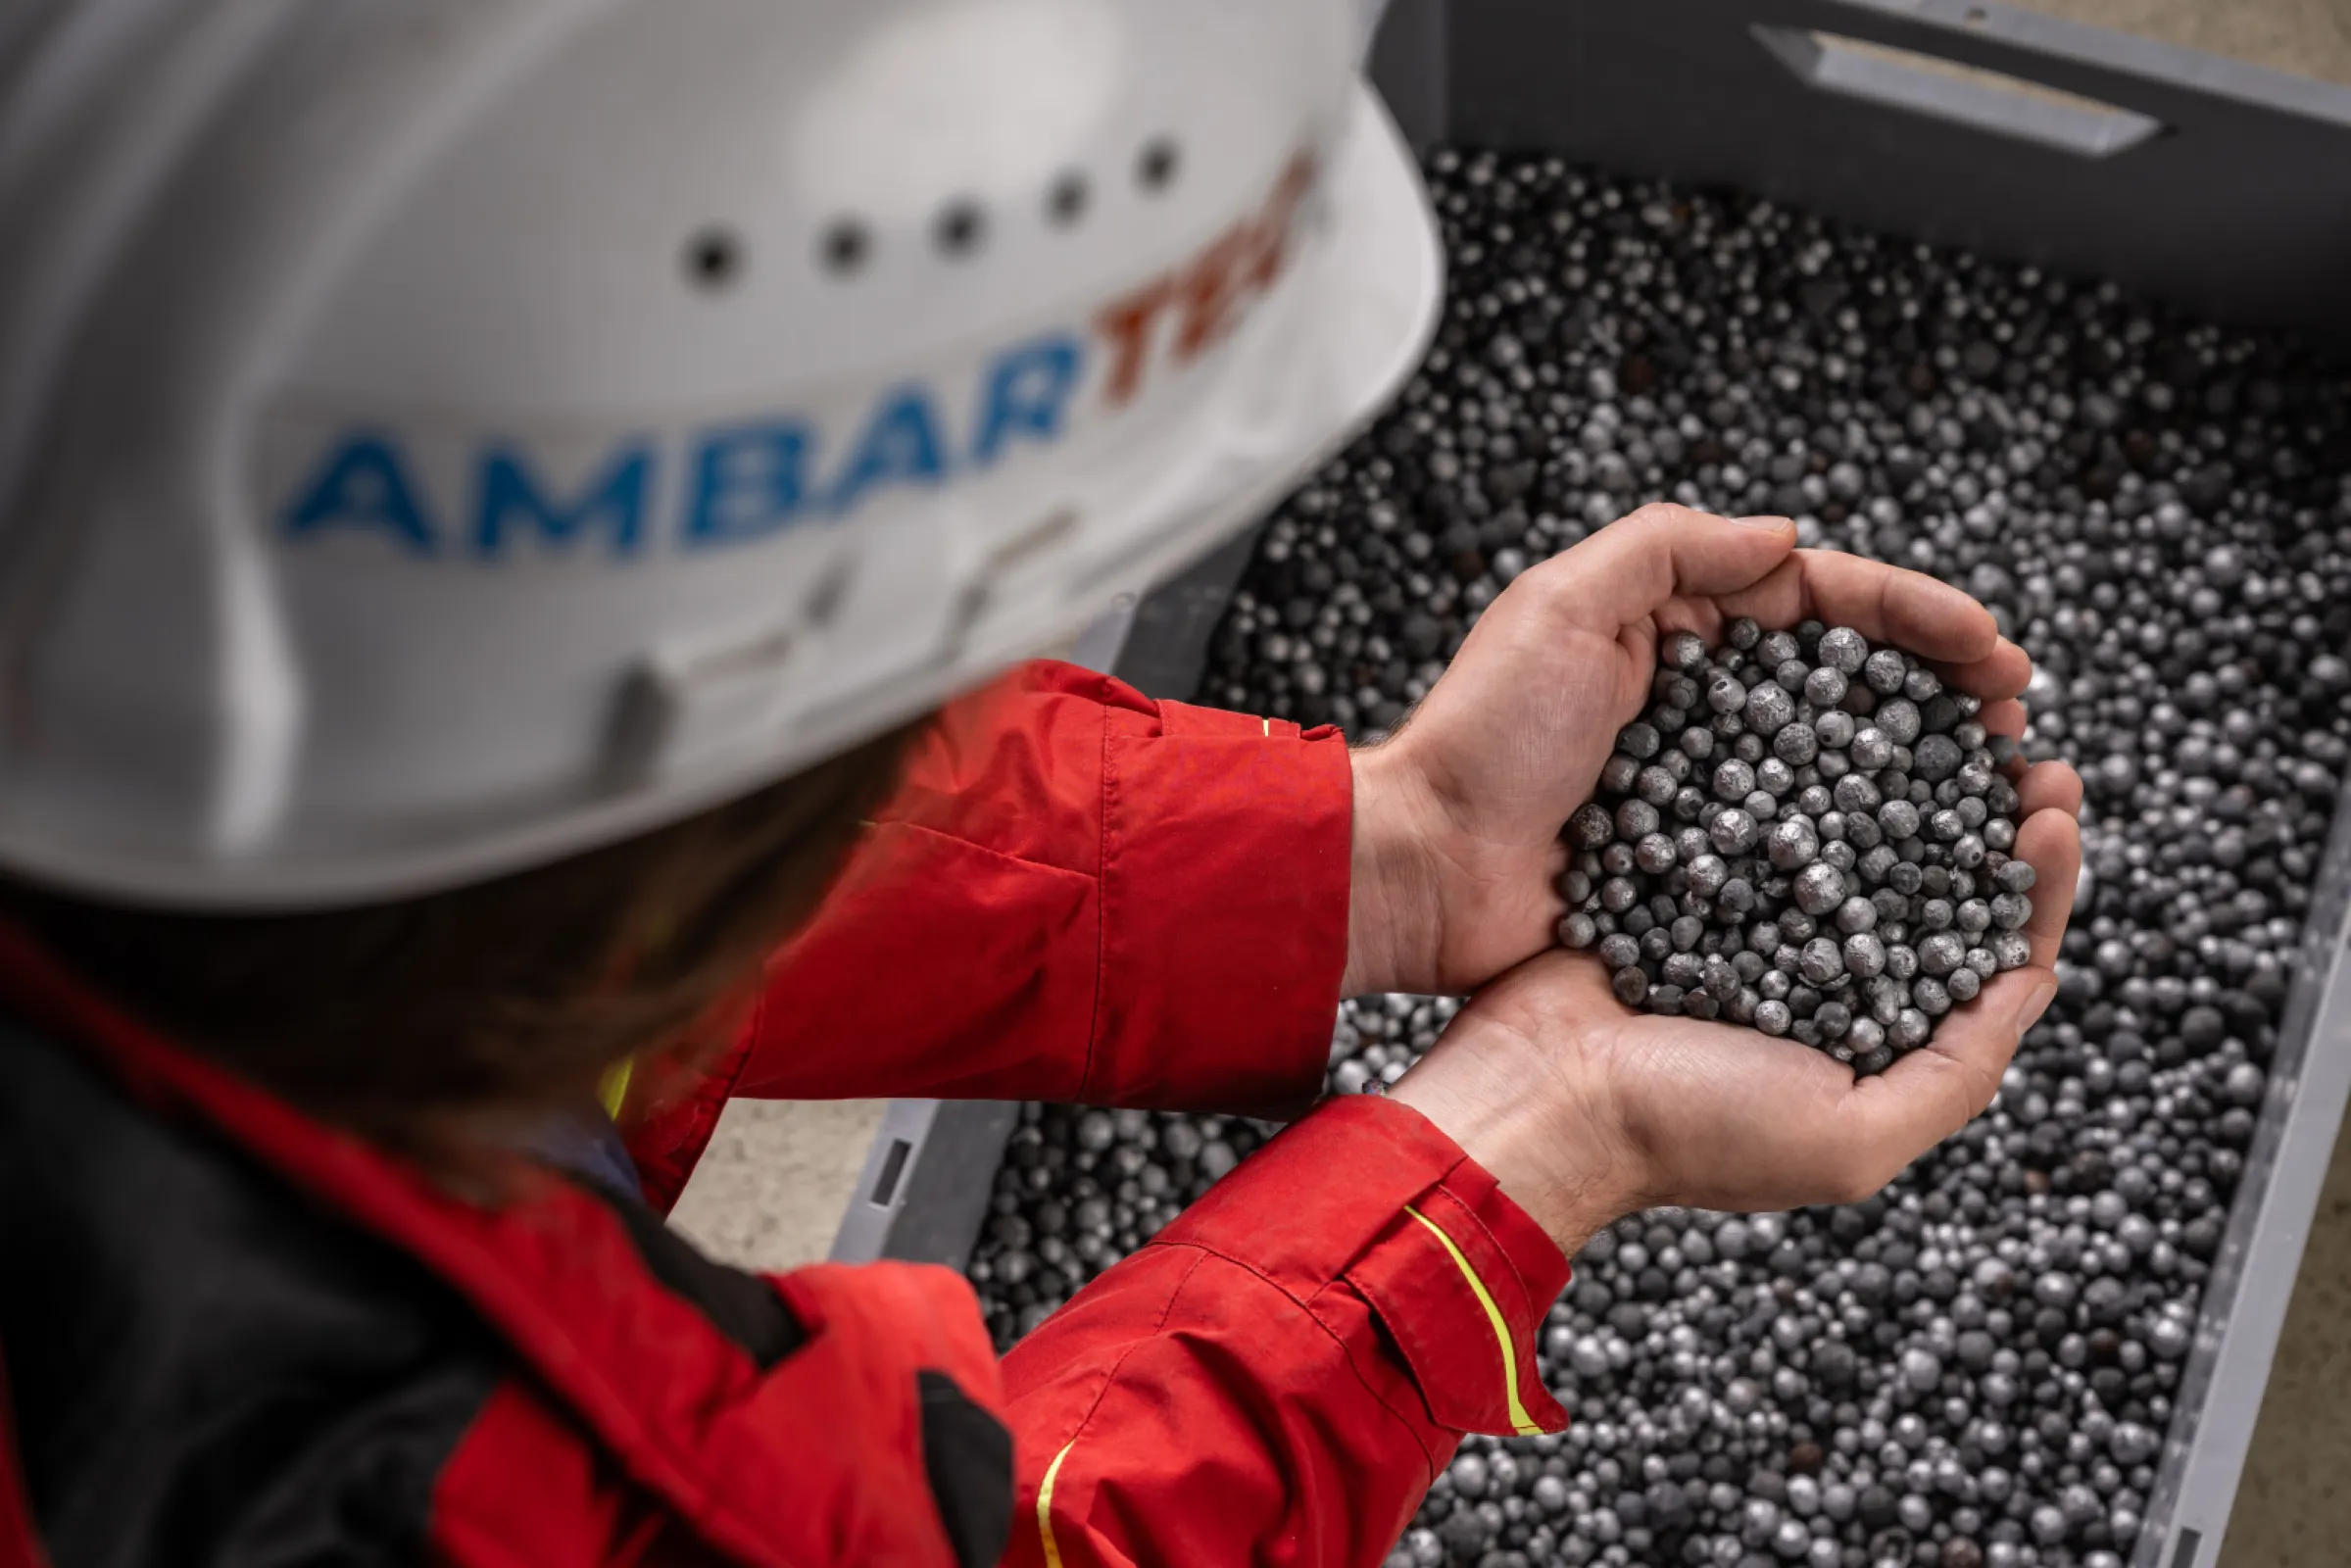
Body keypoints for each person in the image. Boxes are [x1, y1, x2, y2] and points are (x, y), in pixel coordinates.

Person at [0, 4, 2082, 1565]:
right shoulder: (335, 1470)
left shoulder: (195, 746)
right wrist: (1544, 1128)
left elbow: (539, 872)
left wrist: (1385, 858)